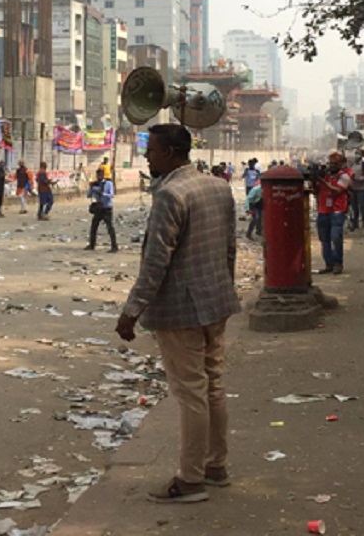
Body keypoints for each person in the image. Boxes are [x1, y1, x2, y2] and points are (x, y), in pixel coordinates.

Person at [116, 123, 239, 504]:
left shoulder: (170, 194)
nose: (147, 157)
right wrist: (224, 287)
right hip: (215, 301)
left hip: (181, 309)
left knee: (190, 393)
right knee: (213, 385)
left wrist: (131, 311)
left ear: (170, 152)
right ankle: (216, 465)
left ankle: (190, 479)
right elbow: (230, 246)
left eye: (151, 150)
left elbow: (156, 261)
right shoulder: (218, 187)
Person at [314, 152, 353, 275]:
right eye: (331, 163)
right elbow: (315, 191)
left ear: (341, 164)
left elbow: (337, 191)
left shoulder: (344, 176)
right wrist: (315, 181)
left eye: (335, 163)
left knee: (336, 237)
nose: (332, 166)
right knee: (324, 239)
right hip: (323, 210)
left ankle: (338, 263)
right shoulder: (325, 175)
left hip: (337, 211)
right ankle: (329, 264)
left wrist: (323, 182)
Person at [85, 167, 118, 253]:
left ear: (103, 175)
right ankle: (92, 245)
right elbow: (88, 196)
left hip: (107, 208)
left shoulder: (108, 183)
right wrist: (91, 188)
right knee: (94, 227)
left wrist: (102, 193)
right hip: (99, 208)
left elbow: (111, 195)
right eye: (98, 175)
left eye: (100, 175)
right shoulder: (95, 184)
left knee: (110, 228)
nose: (99, 177)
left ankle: (114, 246)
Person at [347, 149, 364, 231]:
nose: (357, 155)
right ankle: (355, 223)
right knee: (354, 207)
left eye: (358, 154)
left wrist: (358, 178)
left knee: (362, 206)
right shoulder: (352, 165)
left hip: (361, 188)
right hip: (353, 188)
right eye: (356, 154)